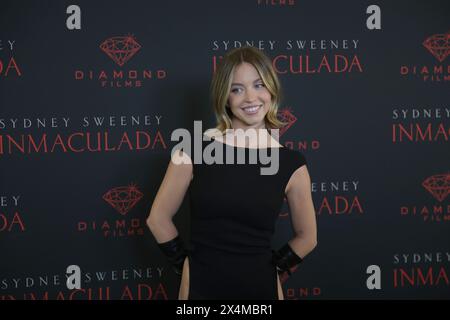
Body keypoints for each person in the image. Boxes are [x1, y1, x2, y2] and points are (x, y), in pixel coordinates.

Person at [147, 46, 317, 300]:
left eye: (259, 85)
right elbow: (157, 219)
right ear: (224, 97)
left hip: (261, 290)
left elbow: (308, 237)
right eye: (237, 89)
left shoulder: (292, 163)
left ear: (272, 88)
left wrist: (272, 271)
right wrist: (187, 269)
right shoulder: (192, 151)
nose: (250, 97)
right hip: (200, 290)